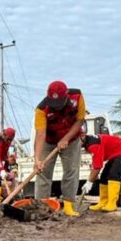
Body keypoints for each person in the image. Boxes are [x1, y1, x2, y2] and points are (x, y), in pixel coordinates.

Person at [34, 81, 86, 217]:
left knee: (71, 170)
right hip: (48, 141)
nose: (56, 107)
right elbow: (40, 134)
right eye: (53, 104)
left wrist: (66, 138)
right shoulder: (41, 109)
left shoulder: (77, 97)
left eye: (59, 104)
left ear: (66, 95)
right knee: (42, 171)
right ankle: (41, 206)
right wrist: (37, 159)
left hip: (71, 138)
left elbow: (80, 120)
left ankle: (68, 205)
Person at [81, 133, 121, 212]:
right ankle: (103, 202)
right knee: (104, 177)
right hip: (114, 155)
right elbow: (96, 161)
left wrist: (89, 182)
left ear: (82, 137)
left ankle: (112, 204)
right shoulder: (88, 143)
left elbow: (97, 167)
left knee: (113, 174)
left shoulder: (94, 144)